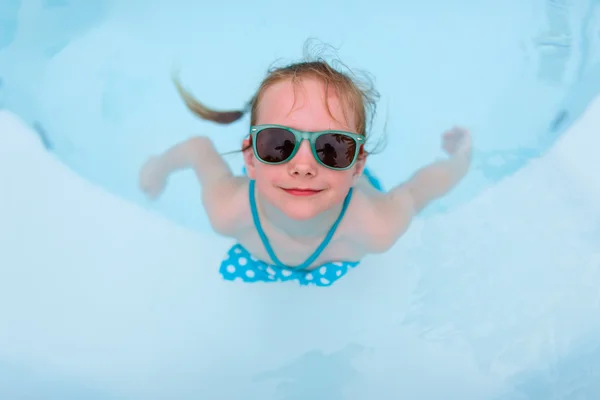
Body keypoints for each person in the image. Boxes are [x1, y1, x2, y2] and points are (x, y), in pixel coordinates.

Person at [139, 58, 472, 287]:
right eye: (278, 142)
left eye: (333, 147)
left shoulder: (376, 227)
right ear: (251, 161)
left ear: (357, 167)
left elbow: (418, 191)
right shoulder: (228, 210)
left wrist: (461, 158)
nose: (303, 166)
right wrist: (159, 168)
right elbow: (199, 151)